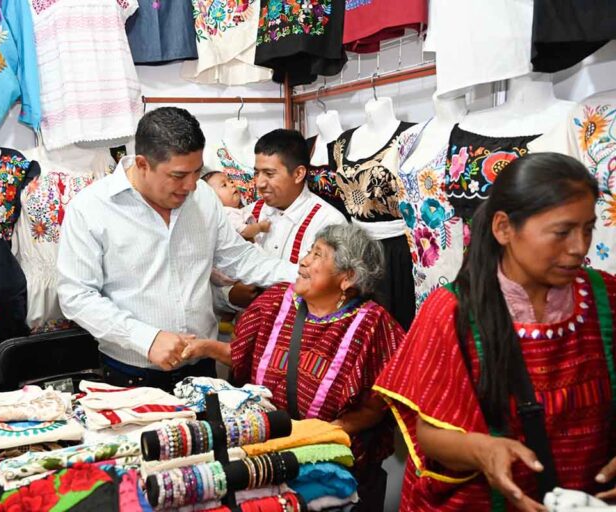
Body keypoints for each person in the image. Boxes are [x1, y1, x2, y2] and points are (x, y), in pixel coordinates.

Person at [373, 153, 616, 511]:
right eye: (562, 232)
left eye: (588, 228)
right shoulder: (451, 311)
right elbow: (430, 434)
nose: (579, 247)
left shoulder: (605, 296)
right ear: (503, 228)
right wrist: (482, 450)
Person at [57, 107, 297, 393]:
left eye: (197, 172)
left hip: (203, 371)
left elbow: (238, 257)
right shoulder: (91, 208)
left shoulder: (203, 197)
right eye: (179, 175)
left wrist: (302, 275)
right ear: (143, 164)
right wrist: (146, 338)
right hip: (131, 379)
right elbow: (77, 296)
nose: (191, 185)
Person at [185, 223, 404, 511]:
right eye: (309, 252)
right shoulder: (276, 302)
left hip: (331, 468)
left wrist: (325, 432)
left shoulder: (373, 326)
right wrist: (204, 347)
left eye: (318, 255)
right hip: (265, 456)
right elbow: (242, 354)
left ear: (347, 278)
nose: (303, 262)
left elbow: (377, 405)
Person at [222, 129, 347, 310]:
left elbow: (328, 291)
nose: (259, 183)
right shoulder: (244, 215)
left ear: (298, 174)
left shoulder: (329, 223)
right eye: (257, 173)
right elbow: (215, 279)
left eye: (269, 174)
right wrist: (230, 296)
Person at [202, 170, 271, 241]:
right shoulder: (227, 213)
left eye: (231, 181)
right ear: (212, 200)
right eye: (224, 185)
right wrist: (260, 227)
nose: (232, 184)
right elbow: (244, 232)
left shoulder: (235, 211)